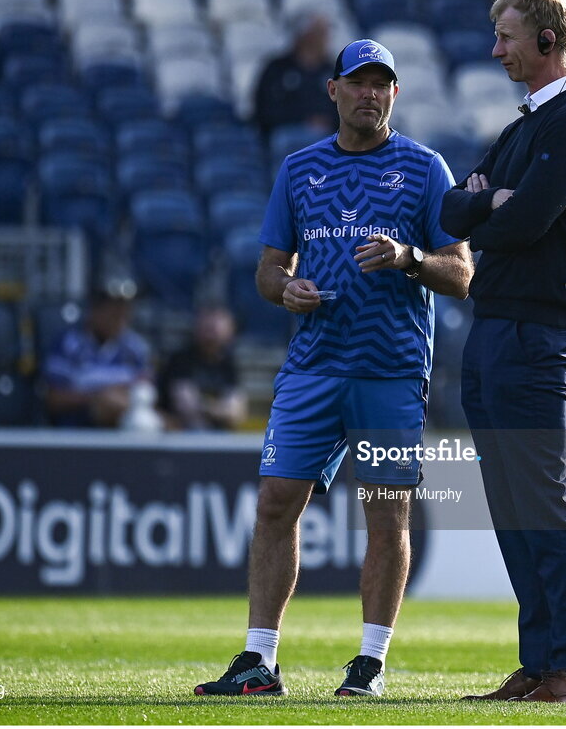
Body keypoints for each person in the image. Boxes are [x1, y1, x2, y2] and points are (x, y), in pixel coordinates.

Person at [192, 39, 473, 699]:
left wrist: (409, 258)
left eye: (383, 84)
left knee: (385, 516)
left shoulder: (426, 168)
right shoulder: (298, 169)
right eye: (359, 82)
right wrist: (283, 289)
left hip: (390, 371)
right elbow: (267, 269)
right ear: (334, 91)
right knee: (274, 504)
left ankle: (370, 664)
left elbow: (461, 273)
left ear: (396, 95)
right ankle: (260, 659)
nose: (370, 93)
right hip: (313, 367)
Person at [440, 0, 566, 704]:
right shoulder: (525, 127)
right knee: (513, 504)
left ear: (547, 39)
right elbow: (452, 206)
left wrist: (490, 203)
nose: (495, 48)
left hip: (535, 333)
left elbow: (523, 222)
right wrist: (489, 201)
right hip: (496, 331)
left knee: (540, 501)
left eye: (506, 35)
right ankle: (541, 660)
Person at [42, 277, 154, 427]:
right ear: (95, 309)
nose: (121, 314)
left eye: (125, 307)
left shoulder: (136, 348)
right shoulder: (68, 344)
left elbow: (146, 393)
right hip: (77, 435)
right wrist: (98, 398)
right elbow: (53, 399)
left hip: (127, 434)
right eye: (114, 307)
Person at [252, 11, 340, 141]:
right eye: (320, 32)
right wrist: (304, 119)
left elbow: (344, 109)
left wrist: (328, 121)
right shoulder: (277, 69)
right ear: (305, 35)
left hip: (328, 134)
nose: (326, 38)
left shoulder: (333, 70)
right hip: (286, 134)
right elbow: (264, 108)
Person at [157, 305, 247, 431]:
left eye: (215, 329)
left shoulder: (227, 364)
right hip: (180, 434)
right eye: (207, 328)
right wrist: (221, 410)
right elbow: (187, 408)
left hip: (218, 436)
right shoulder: (181, 359)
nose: (211, 336)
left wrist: (205, 407)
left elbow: (236, 414)